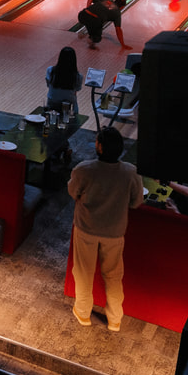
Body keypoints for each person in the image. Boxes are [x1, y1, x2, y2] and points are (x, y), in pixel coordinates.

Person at [68, 127, 142, 331]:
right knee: (113, 276)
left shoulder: (84, 169)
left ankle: (83, 313)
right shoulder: (130, 172)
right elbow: (136, 202)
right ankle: (115, 319)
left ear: (99, 147)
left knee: (83, 272)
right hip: (115, 232)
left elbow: (73, 192)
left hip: (86, 229)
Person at [46, 46, 84, 112]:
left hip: (52, 102)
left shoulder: (50, 70)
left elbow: (48, 84)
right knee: (74, 101)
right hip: (68, 104)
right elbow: (77, 89)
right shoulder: (78, 76)